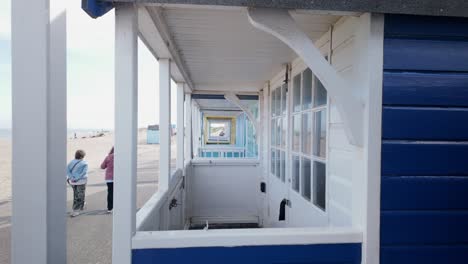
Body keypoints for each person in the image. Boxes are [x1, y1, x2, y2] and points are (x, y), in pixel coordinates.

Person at [67, 150, 88, 217]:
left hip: (73, 182)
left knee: (76, 195)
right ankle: (76, 210)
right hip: (81, 181)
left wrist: (72, 178)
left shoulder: (71, 162)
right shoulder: (84, 163)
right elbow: (84, 173)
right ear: (82, 156)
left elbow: (67, 171)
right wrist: (77, 178)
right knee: (80, 195)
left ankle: (77, 208)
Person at [101, 147, 114, 213]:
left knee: (110, 193)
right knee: (119, 193)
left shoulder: (108, 157)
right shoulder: (122, 157)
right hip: (119, 178)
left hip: (109, 178)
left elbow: (102, 166)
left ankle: (110, 208)